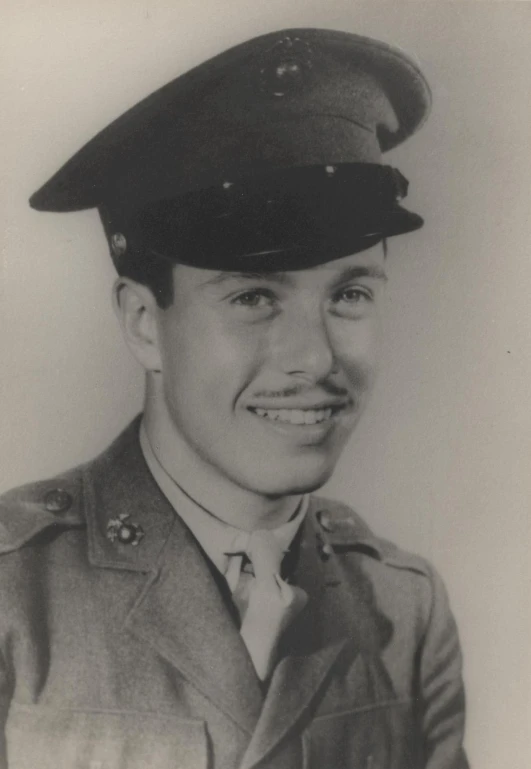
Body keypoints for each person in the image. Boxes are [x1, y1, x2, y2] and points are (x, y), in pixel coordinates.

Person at [0, 27, 468, 769]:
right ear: (144, 323)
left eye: (348, 293)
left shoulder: (403, 608)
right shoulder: (16, 596)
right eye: (253, 297)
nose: (315, 357)